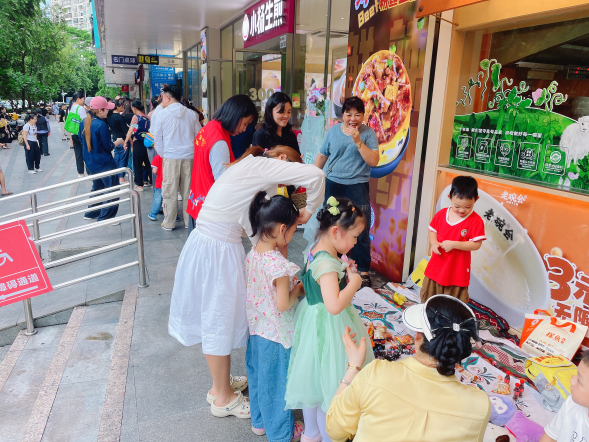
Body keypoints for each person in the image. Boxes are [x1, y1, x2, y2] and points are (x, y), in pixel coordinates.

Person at [168, 145, 325, 419]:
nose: (284, 186)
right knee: (217, 321)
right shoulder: (264, 167)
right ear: (283, 160)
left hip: (211, 245)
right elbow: (317, 176)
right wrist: (307, 211)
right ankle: (223, 398)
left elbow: (259, 237)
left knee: (217, 319)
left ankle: (220, 385)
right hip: (216, 249)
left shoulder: (251, 171)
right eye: (288, 178)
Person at [325, 295, 491, 442]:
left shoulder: (376, 373)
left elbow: (335, 431)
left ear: (417, 336)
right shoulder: (479, 405)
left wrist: (353, 366)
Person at [284, 196, 374, 442]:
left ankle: (311, 433)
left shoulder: (317, 249)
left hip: (313, 320)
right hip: (329, 325)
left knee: (313, 383)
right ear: (336, 232)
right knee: (329, 387)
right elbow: (334, 305)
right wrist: (354, 282)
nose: (355, 243)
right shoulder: (326, 263)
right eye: (354, 236)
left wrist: (344, 271)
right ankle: (328, 435)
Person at [244, 191, 306, 442]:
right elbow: (283, 304)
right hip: (277, 335)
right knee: (278, 385)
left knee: (259, 378)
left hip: (257, 330)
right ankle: (282, 433)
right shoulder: (279, 267)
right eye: (293, 230)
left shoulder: (253, 254)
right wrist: (298, 289)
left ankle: (259, 422)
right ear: (282, 229)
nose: (292, 235)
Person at [313, 97, 379, 288]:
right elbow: (322, 156)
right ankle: (331, 264)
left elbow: (373, 161)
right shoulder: (333, 131)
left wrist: (357, 141)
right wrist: (311, 178)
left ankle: (363, 271)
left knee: (360, 228)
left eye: (357, 114)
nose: (353, 118)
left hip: (357, 186)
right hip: (333, 184)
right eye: (349, 114)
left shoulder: (368, 134)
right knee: (330, 225)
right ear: (342, 115)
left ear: (363, 116)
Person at [185, 94, 258, 233]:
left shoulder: (209, 127)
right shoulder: (219, 140)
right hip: (211, 210)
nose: (244, 129)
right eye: (245, 123)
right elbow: (222, 180)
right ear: (236, 115)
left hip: (198, 200)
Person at [421, 175, 486, 303]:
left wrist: (454, 244)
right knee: (429, 297)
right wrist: (434, 243)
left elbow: (476, 244)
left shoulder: (476, 221)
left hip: (457, 271)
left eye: (468, 207)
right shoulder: (441, 214)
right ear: (449, 198)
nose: (462, 210)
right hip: (437, 266)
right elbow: (432, 230)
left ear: (476, 199)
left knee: (453, 303)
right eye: (457, 206)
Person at [152, 84, 201, 231]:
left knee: (170, 191)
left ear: (168, 97)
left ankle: (169, 223)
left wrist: (164, 155)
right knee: (188, 191)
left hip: (170, 157)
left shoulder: (161, 114)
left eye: (163, 97)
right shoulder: (192, 114)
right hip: (190, 157)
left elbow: (157, 139)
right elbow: (198, 136)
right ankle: (188, 222)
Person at [80, 97, 124, 222]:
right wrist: (118, 141)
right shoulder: (101, 125)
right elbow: (108, 146)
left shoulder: (84, 122)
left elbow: (81, 140)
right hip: (104, 163)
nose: (108, 111)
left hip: (91, 163)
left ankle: (91, 212)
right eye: (106, 109)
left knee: (98, 187)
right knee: (111, 189)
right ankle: (106, 217)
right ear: (100, 110)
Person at [540, 350, 589, 442]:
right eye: (576, 374)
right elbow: (550, 437)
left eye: (579, 380)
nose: (572, 380)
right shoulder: (571, 403)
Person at [123, 99, 150, 191]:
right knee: (148, 163)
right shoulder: (147, 117)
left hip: (138, 142)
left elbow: (131, 130)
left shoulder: (136, 117)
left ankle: (139, 185)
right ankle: (153, 182)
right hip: (147, 142)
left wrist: (126, 141)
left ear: (134, 108)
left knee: (137, 164)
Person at [107, 99, 130, 184]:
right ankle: (121, 177)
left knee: (117, 158)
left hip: (115, 140)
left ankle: (116, 175)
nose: (123, 107)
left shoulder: (109, 117)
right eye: (122, 106)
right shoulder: (120, 117)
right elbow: (126, 131)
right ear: (117, 107)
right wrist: (130, 140)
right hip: (123, 140)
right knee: (123, 159)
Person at [67, 92, 87, 178]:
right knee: (86, 152)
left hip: (73, 133)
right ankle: (89, 171)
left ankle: (80, 173)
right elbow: (85, 122)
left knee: (78, 153)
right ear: (78, 99)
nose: (84, 101)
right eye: (83, 99)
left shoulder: (70, 108)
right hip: (81, 134)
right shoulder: (80, 108)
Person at [148, 154, 164, 221]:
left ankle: (153, 214)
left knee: (157, 199)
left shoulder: (157, 157)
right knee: (170, 199)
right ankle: (174, 216)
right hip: (170, 183)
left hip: (160, 183)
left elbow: (154, 171)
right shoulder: (171, 156)